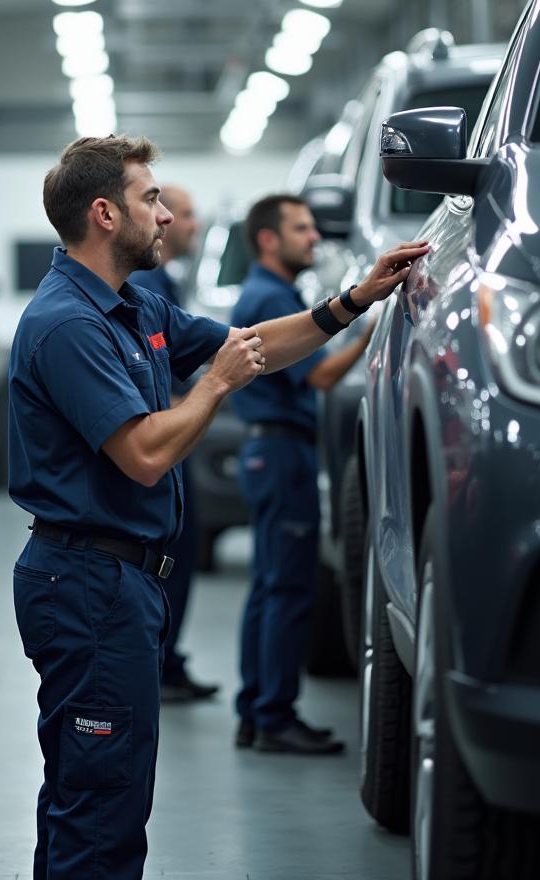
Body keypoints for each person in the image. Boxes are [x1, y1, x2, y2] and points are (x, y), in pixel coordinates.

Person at [7, 136, 428, 880]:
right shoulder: (68, 324)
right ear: (104, 214)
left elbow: (252, 343)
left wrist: (353, 301)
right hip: (87, 586)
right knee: (101, 800)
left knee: (98, 788)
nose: (166, 216)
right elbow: (142, 453)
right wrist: (214, 386)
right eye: (151, 200)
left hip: (115, 582)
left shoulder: (132, 306)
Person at [231, 194, 376, 756]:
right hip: (283, 455)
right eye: (301, 228)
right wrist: (368, 328)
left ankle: (256, 711)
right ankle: (275, 716)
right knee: (288, 589)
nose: (314, 237)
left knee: (269, 587)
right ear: (269, 239)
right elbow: (318, 378)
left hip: (270, 455)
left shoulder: (270, 293)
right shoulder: (267, 296)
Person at [129, 185, 217, 702]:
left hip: (174, 445)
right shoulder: (144, 289)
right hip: (162, 449)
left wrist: (346, 306)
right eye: (181, 213)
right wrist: (214, 384)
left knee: (182, 549)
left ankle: (168, 657)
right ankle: (161, 659)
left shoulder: (160, 286)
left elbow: (220, 342)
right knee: (170, 552)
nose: (180, 223)